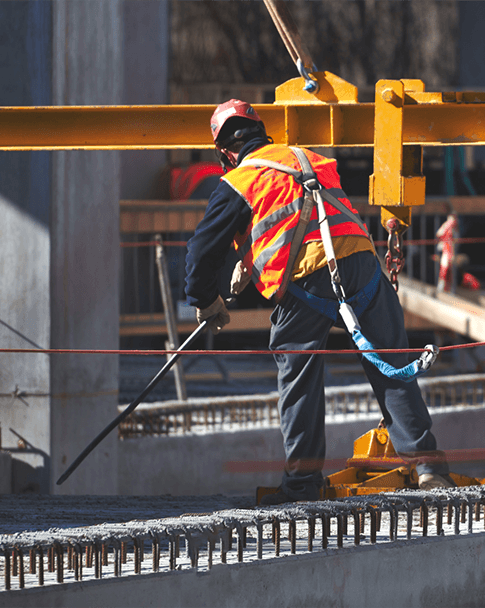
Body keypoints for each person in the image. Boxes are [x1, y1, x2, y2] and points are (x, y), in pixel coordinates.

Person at [185, 99, 454, 504]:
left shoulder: (238, 181)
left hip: (307, 280)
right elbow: (303, 211)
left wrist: (205, 300)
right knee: (393, 364)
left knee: (299, 378)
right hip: (362, 264)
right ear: (261, 133)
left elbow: (201, 252)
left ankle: (302, 485)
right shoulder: (308, 158)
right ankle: (429, 468)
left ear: (224, 151)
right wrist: (248, 255)